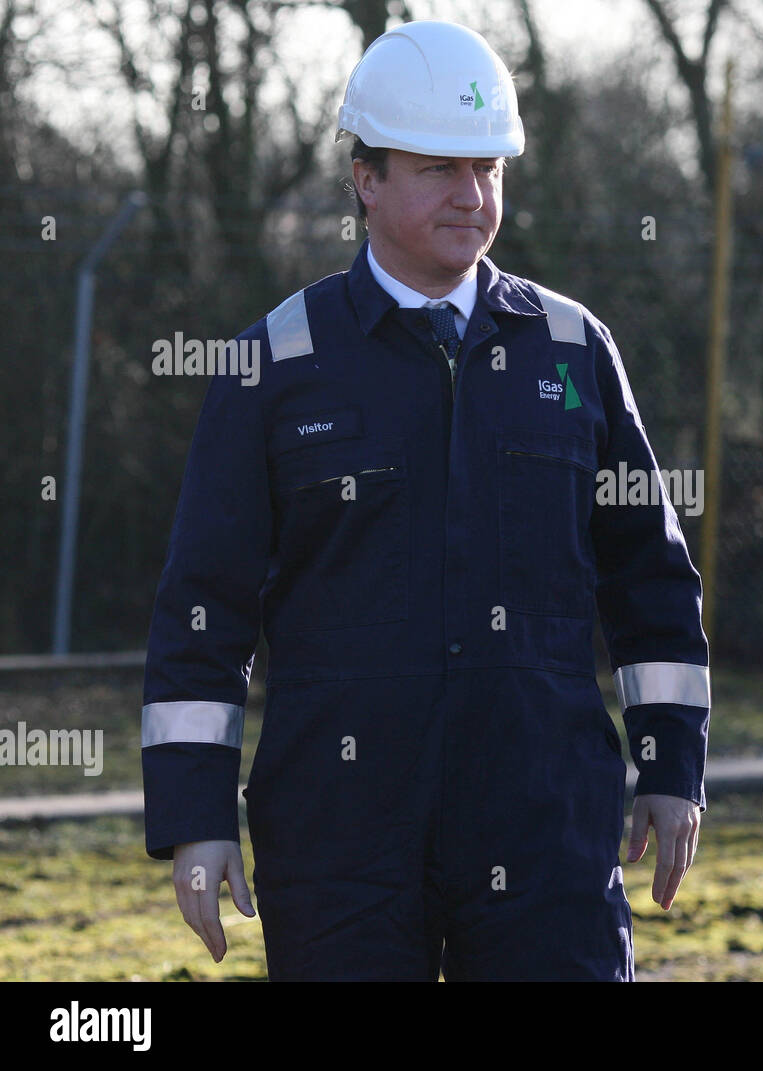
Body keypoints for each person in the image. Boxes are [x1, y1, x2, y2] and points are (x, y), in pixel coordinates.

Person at [141, 20, 709, 982]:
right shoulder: (274, 363)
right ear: (366, 178)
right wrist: (196, 818)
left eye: (490, 168)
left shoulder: (573, 351)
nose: (474, 195)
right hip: (341, 841)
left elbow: (651, 577)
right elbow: (205, 603)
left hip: (544, 831)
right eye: (441, 168)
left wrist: (669, 764)